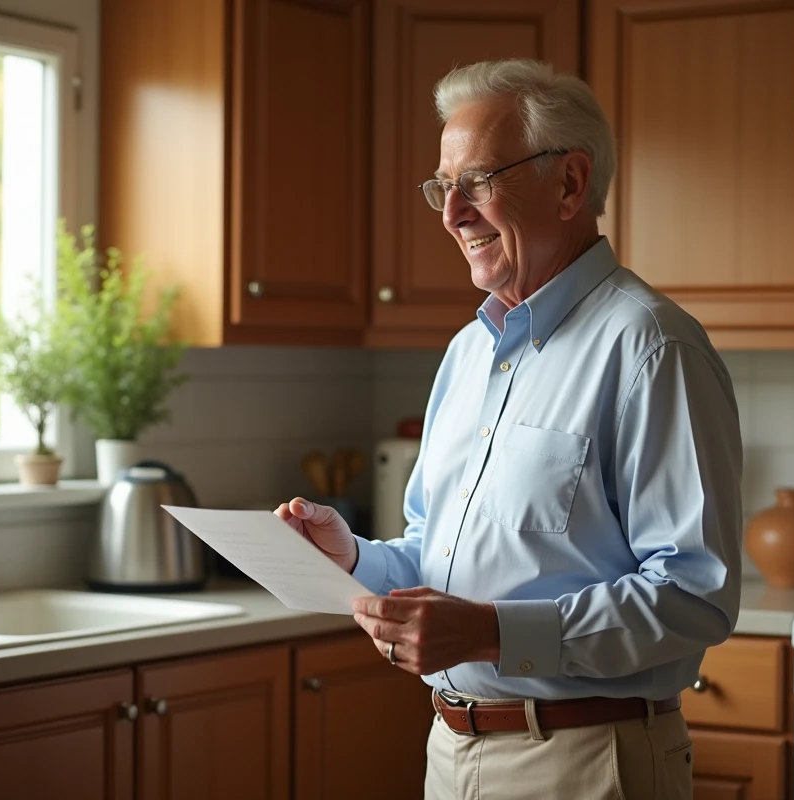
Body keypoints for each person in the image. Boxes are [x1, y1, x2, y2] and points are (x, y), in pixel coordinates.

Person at [277, 58, 742, 799]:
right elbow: (438, 559)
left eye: (478, 181)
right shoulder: (468, 354)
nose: (451, 214)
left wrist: (493, 634)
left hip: (588, 761)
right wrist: (355, 559)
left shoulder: (652, 347)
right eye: (443, 186)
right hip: (450, 750)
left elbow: (696, 597)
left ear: (570, 183)